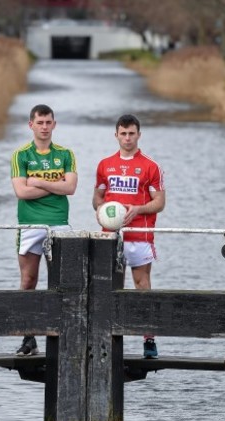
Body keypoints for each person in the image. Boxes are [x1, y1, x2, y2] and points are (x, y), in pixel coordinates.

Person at [93, 114, 165, 359]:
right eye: (123, 133)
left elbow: (160, 203)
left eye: (131, 133)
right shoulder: (105, 165)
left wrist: (138, 209)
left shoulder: (150, 166)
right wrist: (101, 212)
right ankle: (112, 340)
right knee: (112, 286)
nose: (127, 138)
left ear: (139, 135)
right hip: (111, 236)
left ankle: (148, 340)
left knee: (142, 286)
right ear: (116, 135)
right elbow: (97, 198)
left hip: (140, 234)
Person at [11, 104, 78, 356]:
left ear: (54, 124)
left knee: (62, 282)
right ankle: (29, 338)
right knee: (28, 281)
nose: (44, 127)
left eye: (48, 122)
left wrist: (38, 181)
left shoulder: (66, 154)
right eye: (40, 122)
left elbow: (70, 188)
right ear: (31, 125)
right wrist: (55, 184)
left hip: (59, 222)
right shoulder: (21, 155)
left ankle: (64, 336)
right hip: (30, 223)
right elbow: (21, 192)